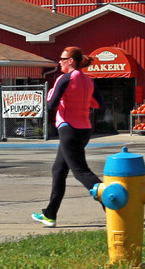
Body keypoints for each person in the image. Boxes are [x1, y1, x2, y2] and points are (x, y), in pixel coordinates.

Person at [32, 46, 103, 228]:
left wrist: (48, 96)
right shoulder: (88, 80)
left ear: (71, 61)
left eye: (62, 59)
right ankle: (50, 214)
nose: (59, 62)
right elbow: (99, 103)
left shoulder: (65, 78)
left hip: (68, 128)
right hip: (84, 129)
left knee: (81, 171)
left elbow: (51, 104)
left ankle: (114, 203)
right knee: (58, 171)